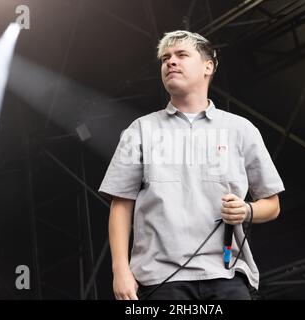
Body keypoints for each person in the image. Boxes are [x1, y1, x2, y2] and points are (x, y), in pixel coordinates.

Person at [99, 30, 285, 300]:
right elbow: (121, 204)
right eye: (165, 58)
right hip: (158, 279)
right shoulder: (140, 130)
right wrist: (120, 270)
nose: (170, 62)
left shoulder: (240, 129)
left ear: (208, 66)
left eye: (181, 55)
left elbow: (273, 205)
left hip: (227, 275)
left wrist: (245, 210)